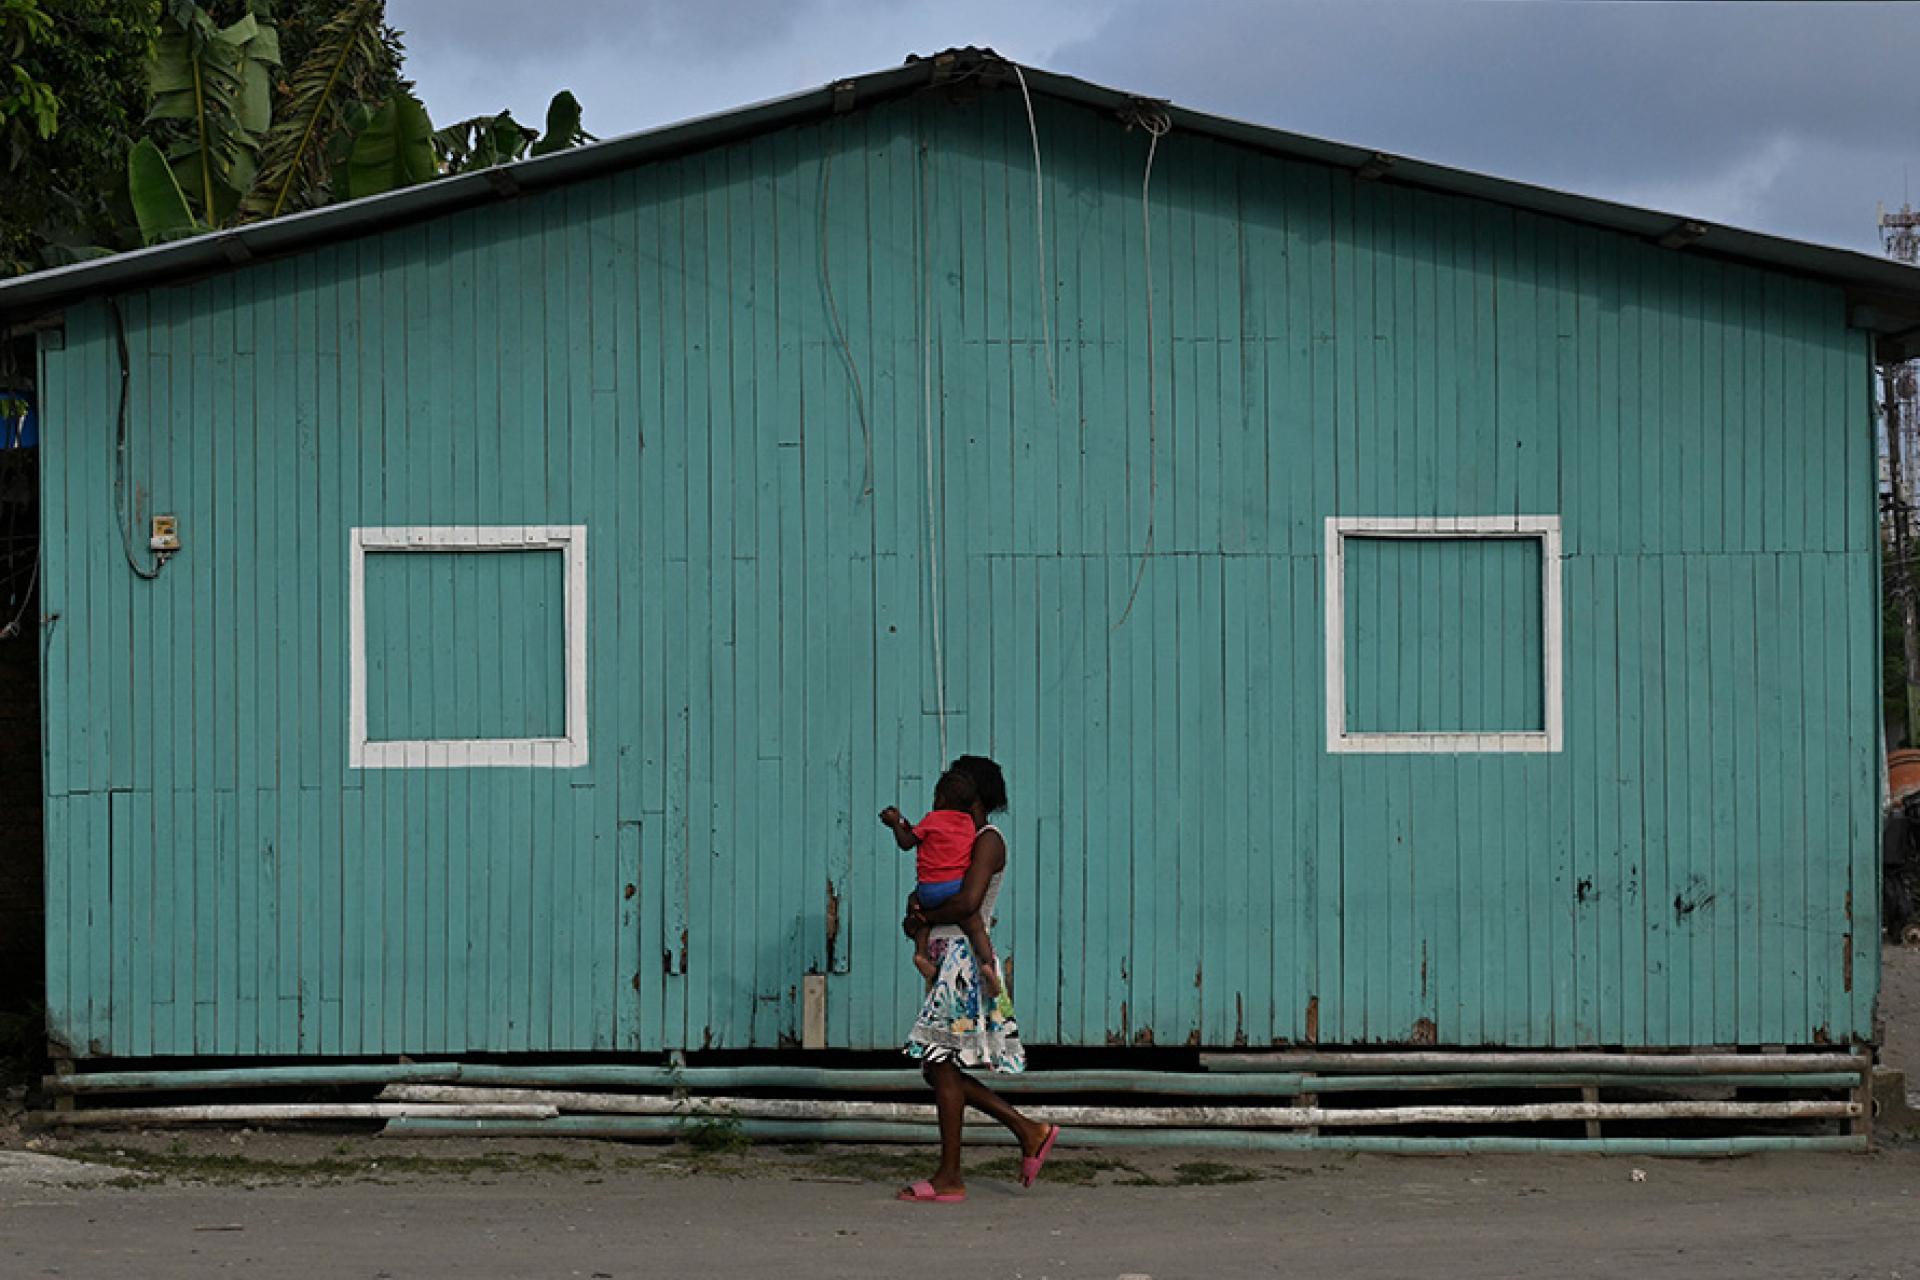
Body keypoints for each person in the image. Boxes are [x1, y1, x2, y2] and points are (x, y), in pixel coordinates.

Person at [896, 754, 1061, 1204]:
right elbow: (931, 886)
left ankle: (952, 1175)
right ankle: (1028, 1130)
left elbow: (969, 902)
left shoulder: (989, 839)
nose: (946, 779)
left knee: (940, 1066)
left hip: (965, 962)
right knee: (938, 1068)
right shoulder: (953, 837)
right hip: (945, 956)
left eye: (957, 775)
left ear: (977, 792)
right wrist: (917, 920)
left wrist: (926, 913)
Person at [879, 770, 1003, 995]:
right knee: (975, 927)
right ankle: (989, 966)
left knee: (956, 1029)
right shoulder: (967, 828)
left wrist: (897, 822)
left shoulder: (981, 837)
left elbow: (967, 903)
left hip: (956, 954)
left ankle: (920, 953)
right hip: (955, 955)